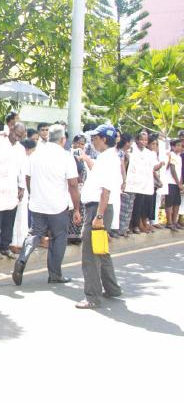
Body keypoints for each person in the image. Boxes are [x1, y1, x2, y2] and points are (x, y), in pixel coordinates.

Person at [13, 124, 81, 286]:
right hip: (57, 206)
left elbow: (28, 178)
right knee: (58, 238)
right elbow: (73, 184)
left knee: (34, 234)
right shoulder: (65, 157)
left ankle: (22, 258)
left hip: (37, 203)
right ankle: (55, 274)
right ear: (63, 140)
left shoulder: (36, 154)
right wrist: (77, 208)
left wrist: (33, 194)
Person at [76, 124, 123, 309]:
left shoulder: (108, 159)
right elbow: (99, 175)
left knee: (90, 254)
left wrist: (99, 216)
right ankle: (112, 288)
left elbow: (106, 191)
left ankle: (92, 297)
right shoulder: (107, 158)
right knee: (101, 250)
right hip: (100, 208)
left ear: (104, 139)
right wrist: (87, 159)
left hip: (98, 209)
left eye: (95, 138)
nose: (93, 141)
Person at [0, 123, 27, 260]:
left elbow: (22, 169)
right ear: (10, 130)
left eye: (20, 136)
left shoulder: (20, 149)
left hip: (12, 188)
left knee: (9, 219)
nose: (17, 138)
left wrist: (21, 187)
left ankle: (5, 246)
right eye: (16, 134)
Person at [164, 139, 183, 230]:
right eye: (178, 145)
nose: (180, 147)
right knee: (169, 202)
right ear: (173, 147)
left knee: (177, 202)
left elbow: (179, 171)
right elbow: (172, 169)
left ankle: (174, 222)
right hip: (170, 182)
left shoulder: (179, 157)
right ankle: (169, 222)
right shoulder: (171, 155)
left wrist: (180, 182)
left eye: (180, 145)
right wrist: (178, 182)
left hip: (177, 183)